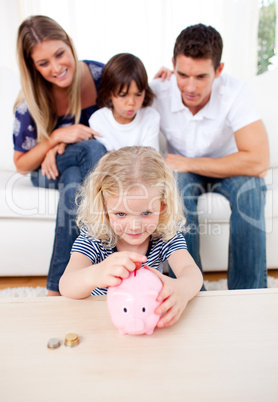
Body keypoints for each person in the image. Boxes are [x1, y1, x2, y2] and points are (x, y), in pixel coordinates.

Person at [150, 23, 270, 289]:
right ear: (172, 64)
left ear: (219, 70)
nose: (190, 87)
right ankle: (191, 290)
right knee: (176, 186)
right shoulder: (159, 88)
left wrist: (188, 162)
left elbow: (259, 161)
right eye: (183, 74)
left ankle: (247, 293)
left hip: (228, 168)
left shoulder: (235, 93)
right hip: (182, 173)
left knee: (252, 187)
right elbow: (119, 104)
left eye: (201, 77)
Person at [13, 15, 107, 296]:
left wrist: (166, 79)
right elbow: (21, 164)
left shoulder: (100, 76)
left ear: (70, 44)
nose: (56, 68)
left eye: (59, 54)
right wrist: (54, 139)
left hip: (77, 169)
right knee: (91, 149)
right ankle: (105, 244)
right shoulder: (28, 102)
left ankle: (56, 289)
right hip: (45, 170)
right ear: (33, 66)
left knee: (75, 180)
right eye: (43, 63)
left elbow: (135, 96)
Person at [59, 146, 203, 328]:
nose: (134, 226)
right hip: (100, 322)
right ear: (103, 207)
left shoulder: (165, 235)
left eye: (146, 213)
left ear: (162, 206)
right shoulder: (94, 236)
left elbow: (191, 271)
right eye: (120, 214)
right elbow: (66, 284)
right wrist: (96, 274)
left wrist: (183, 288)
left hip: (144, 320)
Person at [89, 53, 160, 151]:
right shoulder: (98, 120)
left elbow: (151, 159)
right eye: (123, 95)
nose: (131, 102)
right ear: (109, 92)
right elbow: (108, 161)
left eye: (138, 94)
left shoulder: (151, 117)